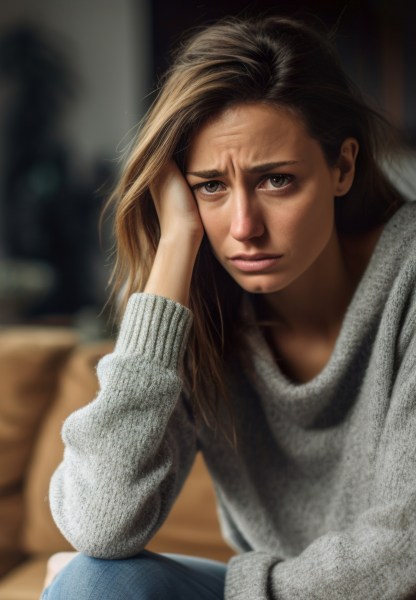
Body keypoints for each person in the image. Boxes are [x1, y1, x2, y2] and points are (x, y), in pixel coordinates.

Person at [43, 15, 415, 600]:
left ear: (342, 167)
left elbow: (405, 550)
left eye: (277, 181)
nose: (244, 228)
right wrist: (173, 250)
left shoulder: (409, 278)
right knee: (93, 580)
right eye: (211, 186)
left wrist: (241, 594)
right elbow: (99, 523)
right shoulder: (201, 308)